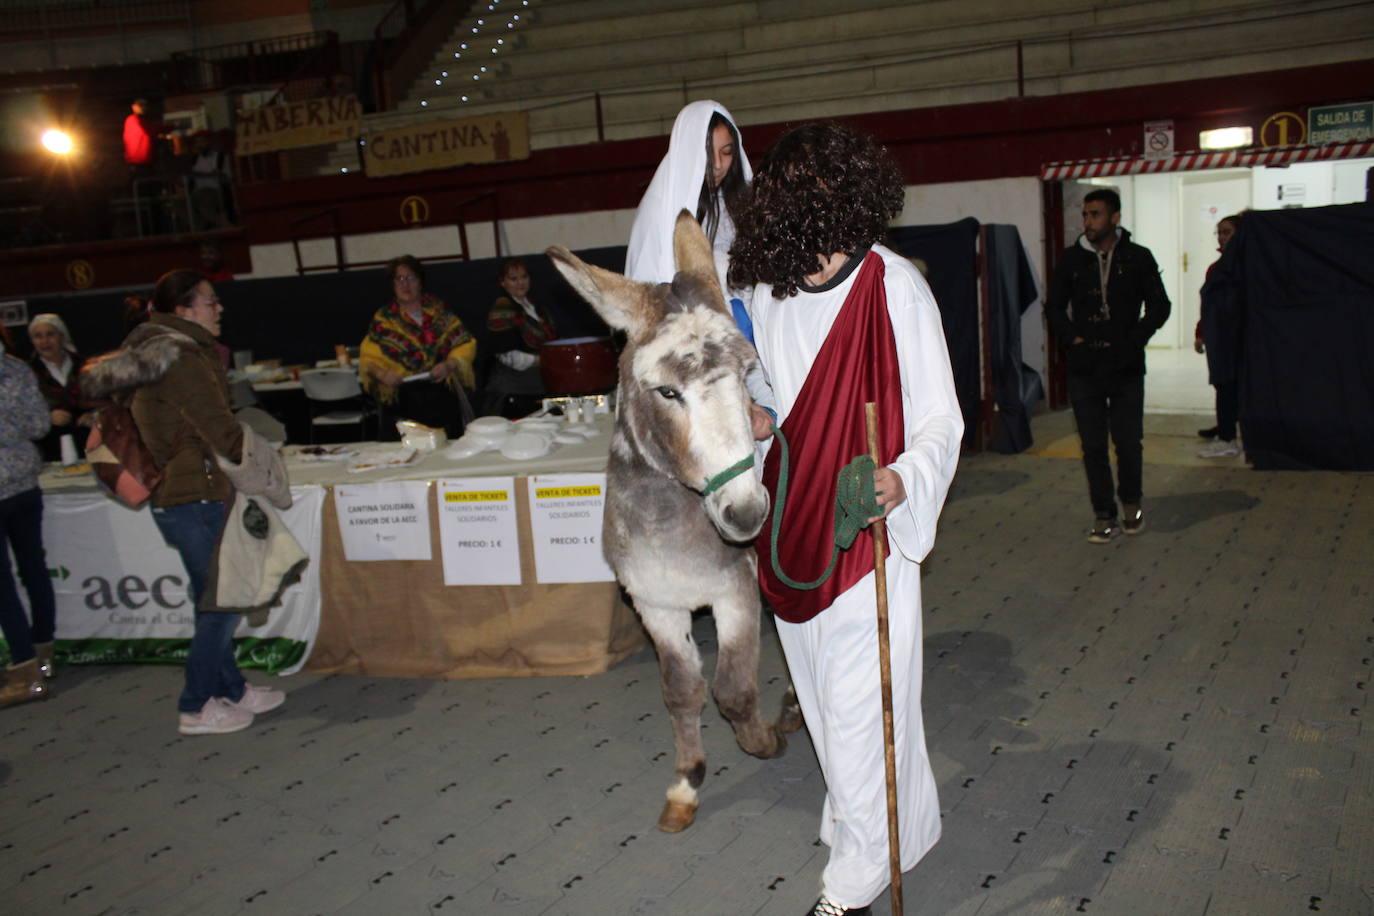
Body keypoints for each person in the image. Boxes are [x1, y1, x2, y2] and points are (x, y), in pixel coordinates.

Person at [728, 121, 964, 916]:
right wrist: (758, 421)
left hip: (865, 526)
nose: (817, 199)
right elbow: (765, 400)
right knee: (825, 697)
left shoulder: (892, 283)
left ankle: (854, 881)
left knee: (866, 702)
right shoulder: (766, 291)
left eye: (829, 183)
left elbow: (941, 418)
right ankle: (891, 824)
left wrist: (905, 477)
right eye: (801, 187)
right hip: (792, 523)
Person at [80, 269, 286, 735]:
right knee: (222, 602)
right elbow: (221, 431)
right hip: (192, 495)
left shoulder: (154, 353)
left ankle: (230, 688)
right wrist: (266, 456)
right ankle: (195, 705)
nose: (219, 309)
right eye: (211, 302)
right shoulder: (182, 359)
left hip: (184, 495)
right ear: (185, 309)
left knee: (214, 597)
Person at [625, 100, 773, 422]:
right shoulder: (660, 211)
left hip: (749, 341)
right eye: (709, 153)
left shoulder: (738, 203)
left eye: (727, 152)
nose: (718, 165)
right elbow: (650, 299)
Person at [1045, 188, 1170, 543]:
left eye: (1095, 214)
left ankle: (1132, 504)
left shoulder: (1138, 257)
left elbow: (1160, 306)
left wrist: (1136, 339)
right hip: (1085, 368)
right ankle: (1104, 514)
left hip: (1126, 365)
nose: (1088, 222)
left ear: (1115, 218)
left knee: (1129, 442)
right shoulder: (1071, 260)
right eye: (1085, 215)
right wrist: (1074, 341)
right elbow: (1053, 307)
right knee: (1093, 445)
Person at [0, 323, 57, 707]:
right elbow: (39, 424)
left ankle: (23, 671)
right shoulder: (17, 369)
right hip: (24, 484)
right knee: (33, 568)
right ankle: (44, 652)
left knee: (2, 582)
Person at [359, 255, 476, 437]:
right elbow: (368, 359)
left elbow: (464, 342)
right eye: (400, 279)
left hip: (440, 395)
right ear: (393, 284)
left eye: (411, 278)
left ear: (420, 282)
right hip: (403, 399)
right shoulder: (383, 319)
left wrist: (449, 364)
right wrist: (382, 375)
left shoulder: (439, 311)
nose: (406, 285)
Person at [482, 258, 557, 418]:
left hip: (539, 388)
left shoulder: (537, 309)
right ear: (502, 282)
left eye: (524, 277)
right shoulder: (502, 308)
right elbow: (509, 357)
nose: (520, 282)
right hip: (513, 392)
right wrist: (543, 360)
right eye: (513, 278)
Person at [1195, 213, 1243, 457]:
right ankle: (1225, 426)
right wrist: (1200, 332)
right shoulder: (1217, 268)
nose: (1222, 237)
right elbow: (1209, 305)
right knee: (1224, 385)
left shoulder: (1244, 267)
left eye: (1227, 232)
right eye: (1219, 232)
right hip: (1219, 338)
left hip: (1235, 339)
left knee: (1230, 385)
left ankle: (1227, 436)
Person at [26, 313, 89, 464]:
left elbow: (104, 400)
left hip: (88, 443)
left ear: (62, 336)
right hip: (50, 449)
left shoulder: (84, 366)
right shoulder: (27, 373)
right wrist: (48, 417)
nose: (44, 341)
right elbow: (22, 414)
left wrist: (94, 415)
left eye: (50, 334)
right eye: (38, 336)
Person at [189, 133, 232, 230]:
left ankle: (225, 226)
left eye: (202, 142)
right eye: (197, 143)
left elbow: (227, 176)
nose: (199, 145)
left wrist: (210, 174)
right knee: (180, 205)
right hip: (197, 192)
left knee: (204, 205)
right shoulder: (195, 159)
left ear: (209, 142)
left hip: (214, 190)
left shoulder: (220, 157)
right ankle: (205, 228)